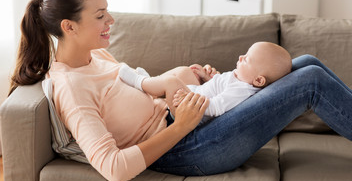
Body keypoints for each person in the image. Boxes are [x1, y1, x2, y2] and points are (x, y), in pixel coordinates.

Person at [9, 0, 352, 181]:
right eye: (100, 16)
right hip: (188, 148)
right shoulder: (72, 87)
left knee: (305, 62)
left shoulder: (95, 56)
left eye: (107, 10)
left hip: (187, 122)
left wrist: (183, 81)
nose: (111, 19)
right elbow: (113, 169)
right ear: (69, 27)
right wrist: (181, 126)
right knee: (310, 81)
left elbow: (141, 85)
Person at [118, 42, 292, 122]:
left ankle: (139, 81)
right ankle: (152, 84)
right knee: (180, 75)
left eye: (247, 59)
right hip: (193, 97)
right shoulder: (241, 79)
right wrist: (208, 78)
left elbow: (216, 107)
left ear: (259, 80)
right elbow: (221, 84)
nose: (240, 57)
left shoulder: (242, 91)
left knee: (171, 83)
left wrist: (189, 98)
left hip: (191, 114)